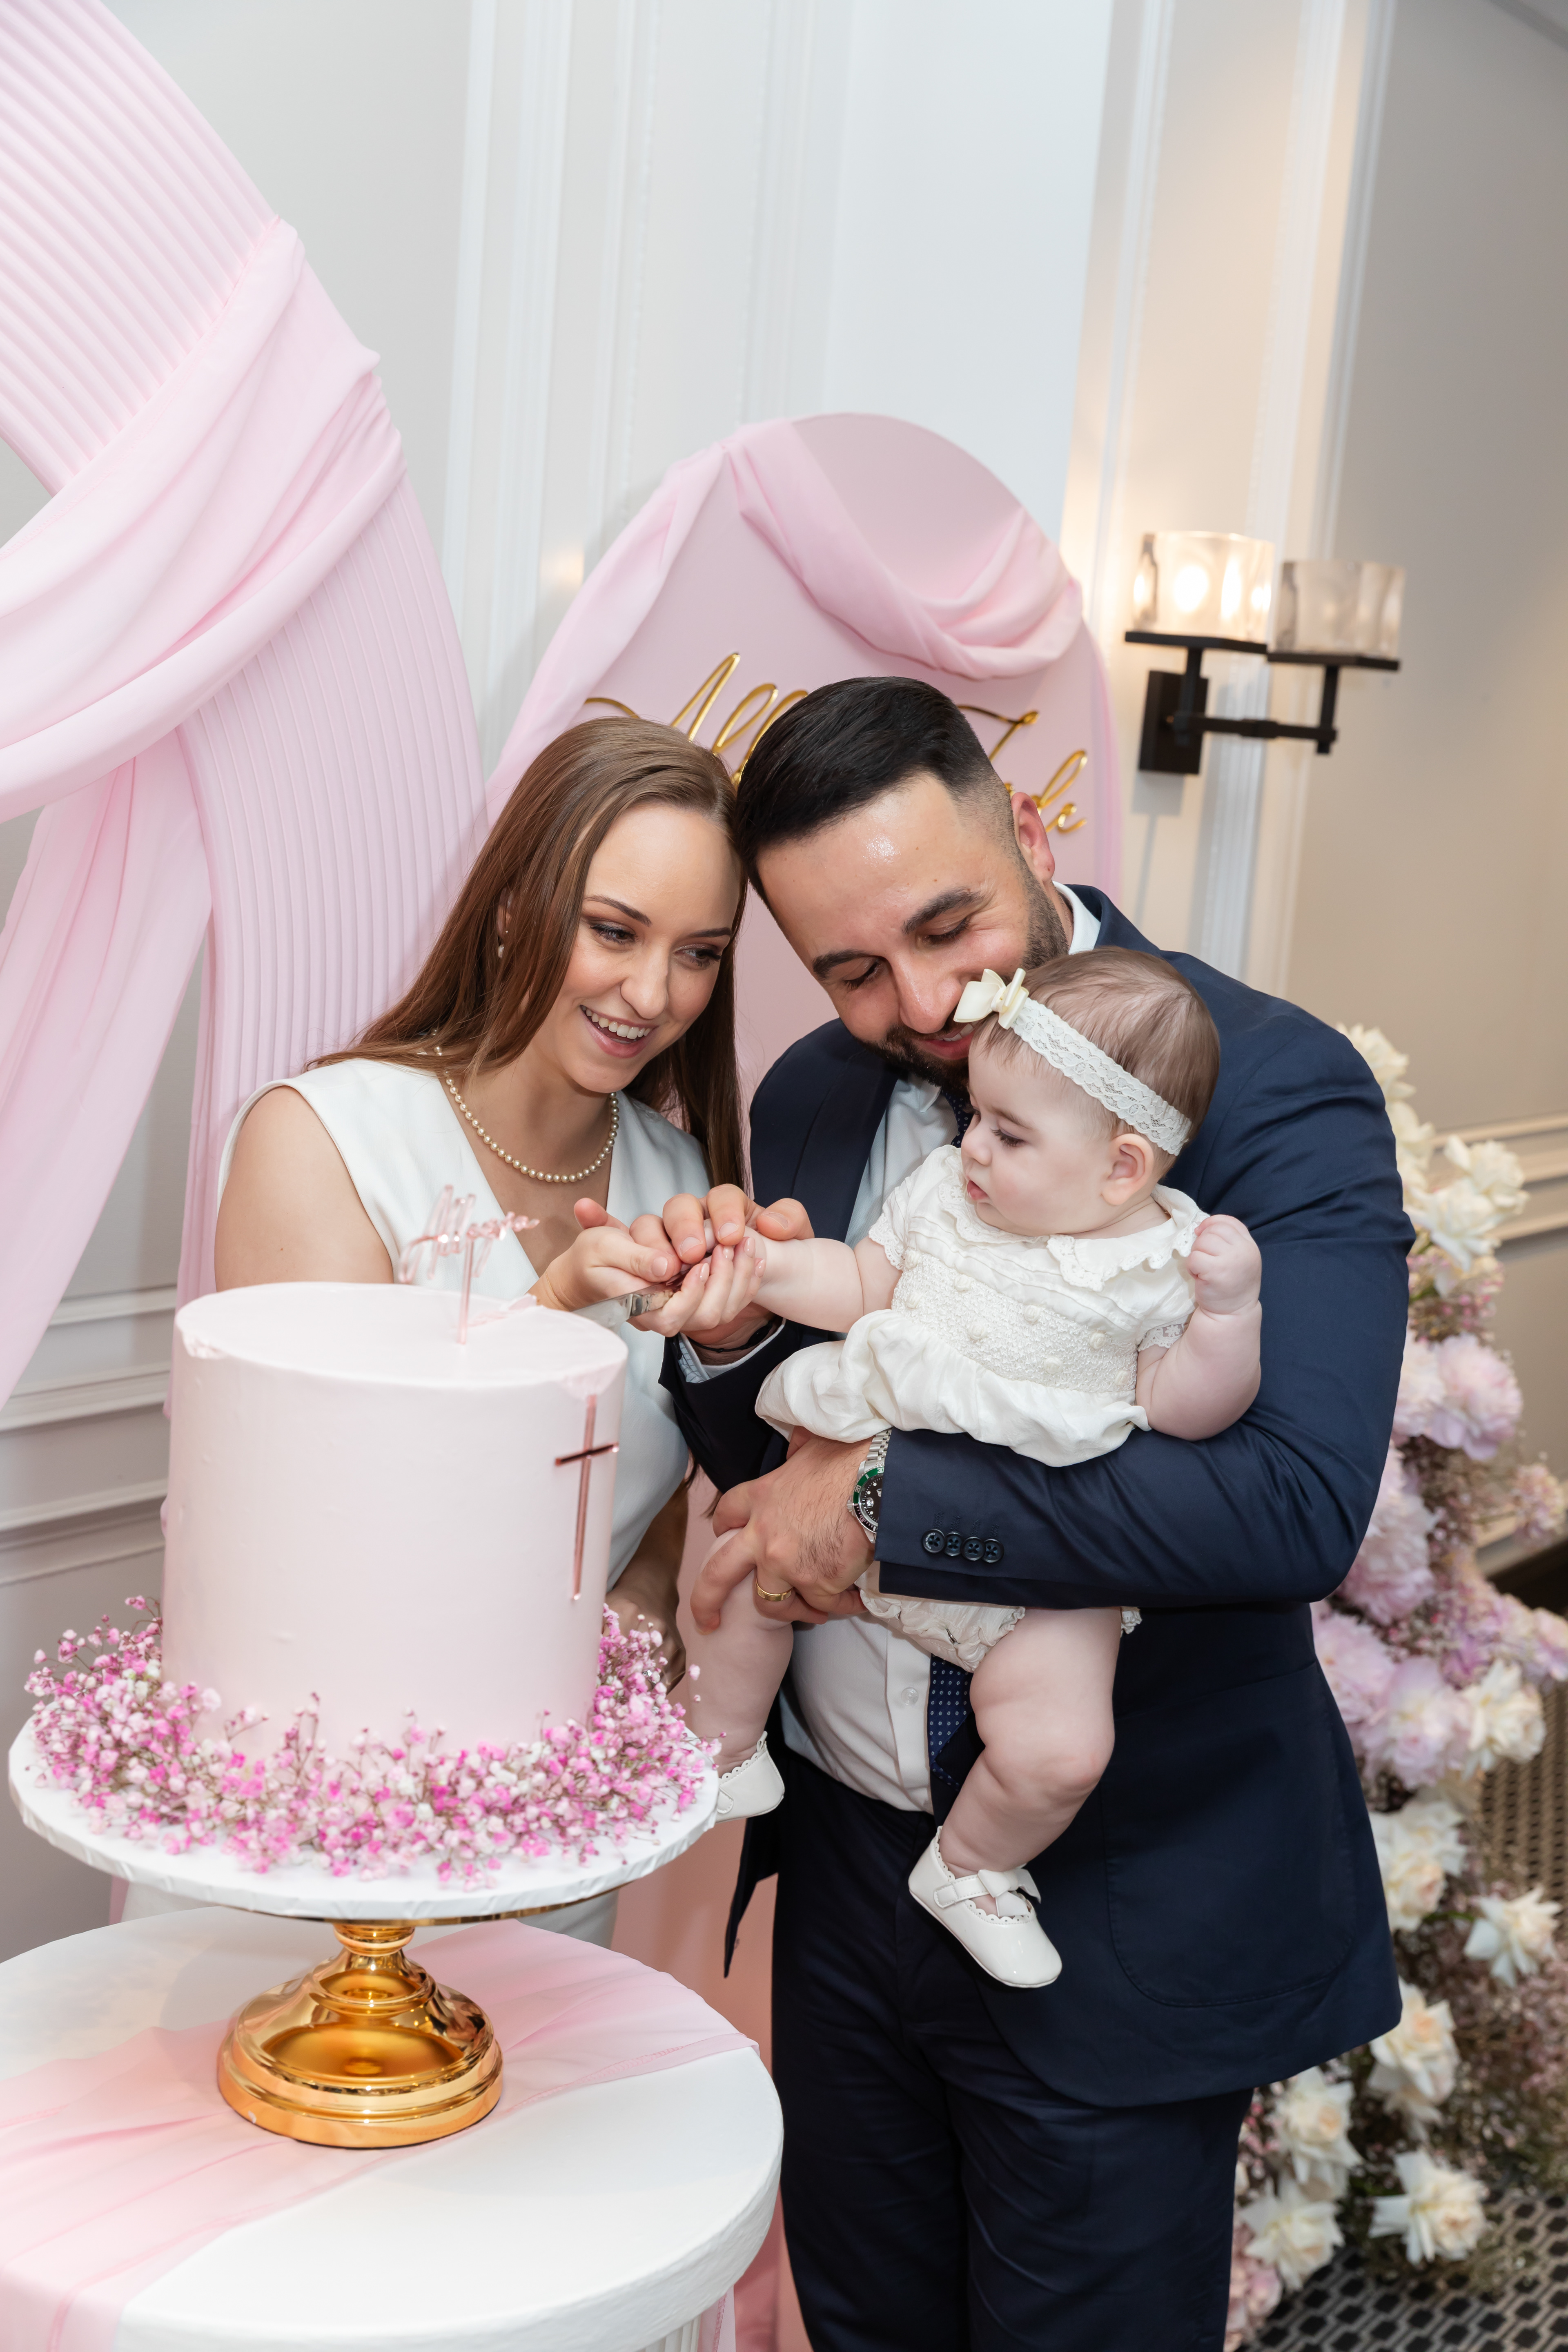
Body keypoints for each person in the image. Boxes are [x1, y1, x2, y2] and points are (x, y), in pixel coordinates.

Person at [641, 677, 1407, 2350]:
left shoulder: (1266, 1081)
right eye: (852, 969)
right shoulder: (817, 1091)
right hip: (843, 1875)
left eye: (948, 926)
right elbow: (778, 1417)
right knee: (863, 2323)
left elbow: (1288, 1503)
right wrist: (723, 1333)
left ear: (1036, 834)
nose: (918, 1003)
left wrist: (888, 1500)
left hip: (1110, 1898)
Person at [214, 716, 752, 1943]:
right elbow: (328, 1512)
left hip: (556, 1831)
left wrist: (644, 1604)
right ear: (515, 910)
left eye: (699, 954)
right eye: (613, 931)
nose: (653, 995)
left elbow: (652, 1480)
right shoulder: (326, 1138)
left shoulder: (679, 1176)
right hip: (328, 1817)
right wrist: (551, 1310)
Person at [664, 947, 1263, 1993]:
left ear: (1123, 1167)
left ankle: (974, 1867)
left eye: (1009, 1133)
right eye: (976, 1116)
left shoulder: (1160, 1264)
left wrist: (1229, 1315)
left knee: (1062, 1749)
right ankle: (724, 1747)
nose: (973, 1144)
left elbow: (1183, 1409)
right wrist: (766, 1267)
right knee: (745, 1573)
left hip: (1039, 1567)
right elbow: (860, 1281)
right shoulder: (945, 1191)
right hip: (865, 1466)